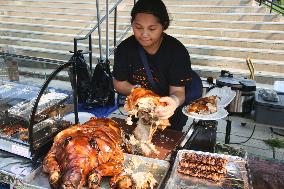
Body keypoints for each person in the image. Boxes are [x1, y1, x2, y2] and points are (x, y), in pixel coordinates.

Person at [113, 0, 192, 131]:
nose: (144, 34)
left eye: (152, 29)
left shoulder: (176, 51)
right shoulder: (124, 49)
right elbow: (118, 83)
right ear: (132, 24)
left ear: (164, 26)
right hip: (139, 114)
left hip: (171, 117)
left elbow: (178, 92)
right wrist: (140, 93)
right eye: (138, 27)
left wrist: (173, 102)